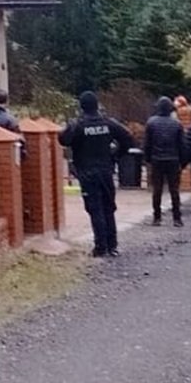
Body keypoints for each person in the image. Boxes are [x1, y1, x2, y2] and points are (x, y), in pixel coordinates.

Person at [59, 91, 136, 258]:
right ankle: (112, 246)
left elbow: (63, 140)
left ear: (82, 107)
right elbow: (128, 139)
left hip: (87, 173)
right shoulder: (108, 123)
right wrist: (116, 155)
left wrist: (71, 126)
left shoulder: (78, 125)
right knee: (108, 207)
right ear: (97, 105)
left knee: (95, 209)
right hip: (105, 171)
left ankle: (101, 247)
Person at [143, 96, 184, 227]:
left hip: (157, 160)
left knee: (157, 189)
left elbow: (147, 144)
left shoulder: (151, 123)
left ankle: (157, 217)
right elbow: (181, 145)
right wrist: (182, 162)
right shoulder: (176, 124)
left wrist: (147, 159)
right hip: (173, 159)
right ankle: (177, 218)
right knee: (174, 190)